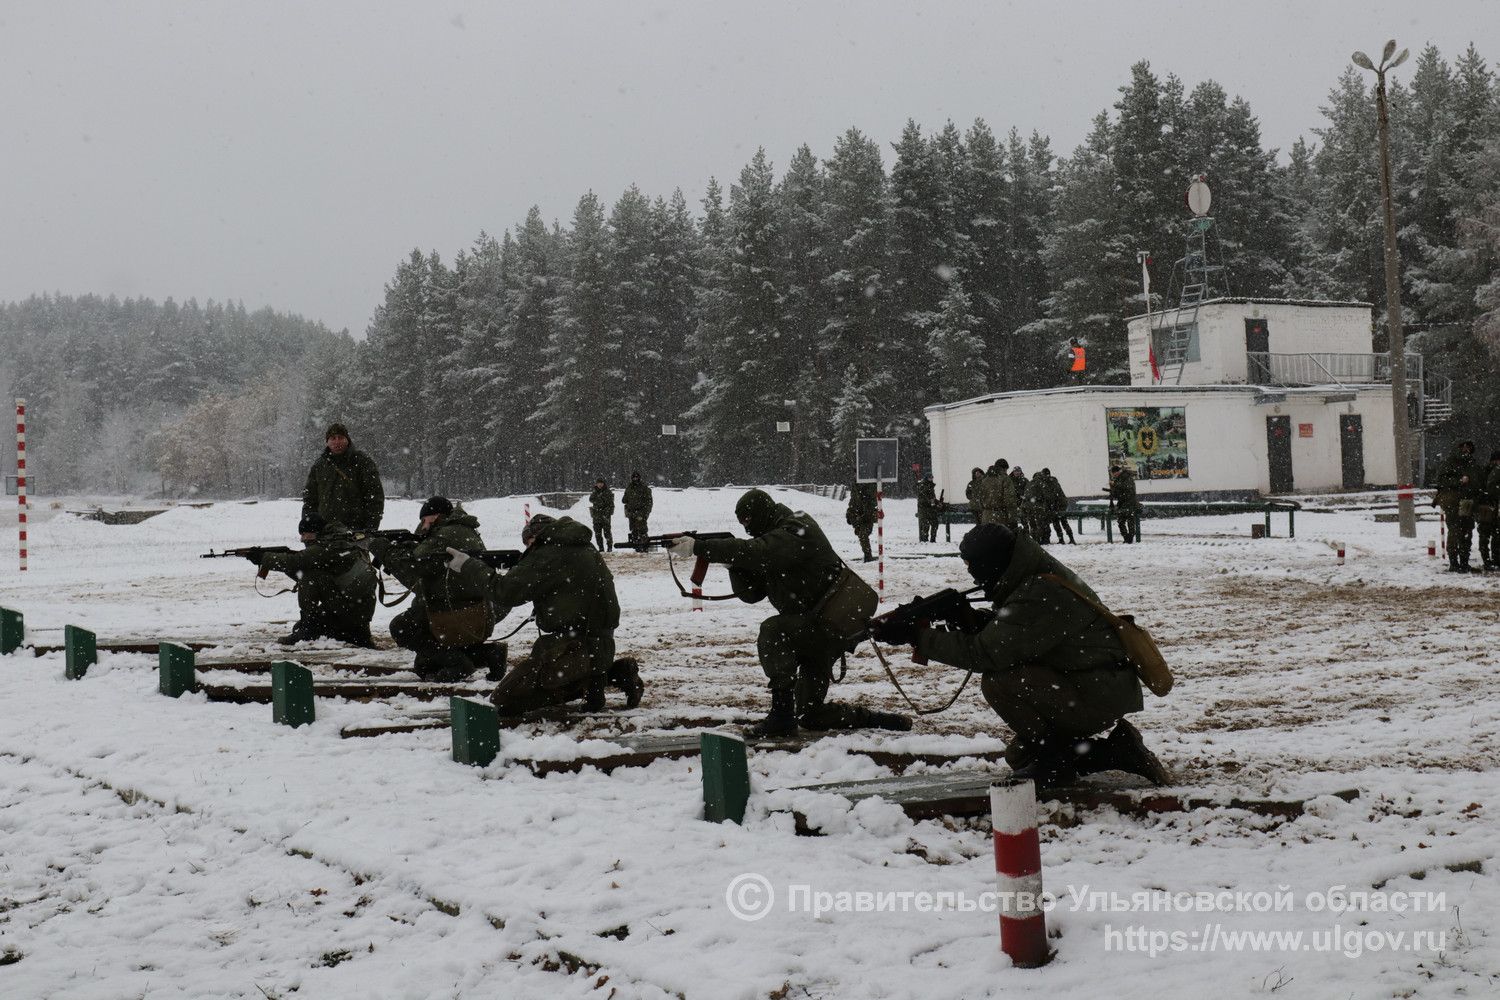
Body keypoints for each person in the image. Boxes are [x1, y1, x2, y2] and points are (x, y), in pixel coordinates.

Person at [870, 523, 1167, 789]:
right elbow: (1020, 636)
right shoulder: (1032, 576)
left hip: (1096, 691)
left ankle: (1060, 763)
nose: (974, 577)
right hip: (1093, 682)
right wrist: (970, 619)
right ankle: (1116, 751)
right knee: (1021, 755)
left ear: (994, 564)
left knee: (999, 681)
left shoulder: (1040, 592)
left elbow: (986, 652)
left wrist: (918, 636)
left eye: (976, 569)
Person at [665, 488, 909, 737]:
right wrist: (731, 563)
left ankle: (781, 714)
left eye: (748, 521)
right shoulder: (773, 539)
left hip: (829, 626)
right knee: (810, 715)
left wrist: (703, 548)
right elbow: (752, 593)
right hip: (814, 629)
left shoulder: (797, 527)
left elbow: (760, 552)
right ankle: (876, 720)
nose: (747, 530)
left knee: (773, 631)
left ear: (762, 513)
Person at [447, 513, 638, 716]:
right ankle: (608, 675)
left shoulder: (549, 554)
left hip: (573, 647)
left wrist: (468, 565)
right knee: (547, 678)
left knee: (506, 700)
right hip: (598, 644)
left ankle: (598, 678)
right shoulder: (580, 546)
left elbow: (504, 592)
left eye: (528, 543)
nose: (528, 549)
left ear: (535, 537)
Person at [367, 497, 499, 681]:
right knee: (424, 665)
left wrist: (383, 549)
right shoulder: (464, 529)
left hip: (452, 610)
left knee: (401, 628)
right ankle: (489, 654)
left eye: (424, 520)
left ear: (436, 516)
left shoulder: (445, 534)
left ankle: (459, 664)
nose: (422, 526)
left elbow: (413, 566)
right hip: (476, 610)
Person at [252, 511, 376, 647]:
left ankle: (309, 630)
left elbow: (296, 562)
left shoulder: (326, 547)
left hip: (349, 608)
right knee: (299, 627)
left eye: (304, 534)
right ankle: (353, 632)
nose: (302, 539)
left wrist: (263, 558)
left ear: (315, 531)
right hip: (358, 612)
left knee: (310, 576)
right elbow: (299, 565)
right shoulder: (341, 540)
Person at [301, 423, 384, 532]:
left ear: (347, 440)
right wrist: (308, 528)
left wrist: (370, 529)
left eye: (340, 438)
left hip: (355, 531)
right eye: (333, 438)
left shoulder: (362, 462)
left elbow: (374, 498)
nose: (337, 442)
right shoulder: (319, 465)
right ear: (327, 441)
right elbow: (310, 499)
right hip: (325, 531)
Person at [1434, 440, 1481, 572]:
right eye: (1463, 447)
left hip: (1468, 502)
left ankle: (1464, 562)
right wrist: (1459, 481)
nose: (1466, 449)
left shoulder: (1472, 463)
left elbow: (1477, 480)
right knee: (1455, 531)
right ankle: (1454, 563)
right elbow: (1441, 481)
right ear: (1458, 448)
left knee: (1466, 532)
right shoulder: (1450, 462)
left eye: (1469, 447)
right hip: (1453, 501)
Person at [1037, 468, 1075, 544]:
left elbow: (1051, 497)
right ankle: (1068, 539)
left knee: (1058, 522)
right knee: (1061, 522)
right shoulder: (1053, 481)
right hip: (1058, 505)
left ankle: (1065, 539)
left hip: (1057, 505)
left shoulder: (1049, 483)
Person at [1107, 462, 1141, 543]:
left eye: (1113, 474)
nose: (1113, 476)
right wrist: (1112, 489)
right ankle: (1126, 537)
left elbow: (1127, 487)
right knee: (1121, 521)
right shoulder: (1118, 479)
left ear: (1117, 472)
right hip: (1122, 502)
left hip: (1130, 502)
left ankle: (1130, 537)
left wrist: (1115, 484)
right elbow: (1118, 492)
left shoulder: (1126, 476)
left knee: (1130, 520)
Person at [977, 461, 1017, 528]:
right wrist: (1012, 518)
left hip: (986, 516)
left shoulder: (984, 480)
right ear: (1004, 469)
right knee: (1000, 537)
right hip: (1000, 516)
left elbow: (980, 498)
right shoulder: (1005, 479)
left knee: (988, 537)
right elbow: (1009, 499)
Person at [1478, 450, 1500, 571]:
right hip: (1486, 506)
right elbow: (1489, 488)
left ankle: (1492, 560)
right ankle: (1489, 560)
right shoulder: (1489, 471)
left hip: (1489, 506)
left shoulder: (1487, 470)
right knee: (1487, 534)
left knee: (1491, 534)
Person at [845, 481, 879, 562]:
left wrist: (867, 511)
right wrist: (850, 511)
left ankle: (868, 555)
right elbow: (853, 498)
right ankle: (867, 554)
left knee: (863, 534)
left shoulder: (869, 481)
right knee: (861, 534)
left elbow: (872, 499)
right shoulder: (855, 483)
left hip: (867, 512)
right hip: (856, 512)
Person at [623, 472, 654, 549]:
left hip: (641, 512)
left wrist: (645, 513)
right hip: (631, 512)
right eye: (634, 477)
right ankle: (636, 547)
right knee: (634, 530)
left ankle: (644, 547)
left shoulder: (644, 488)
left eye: (637, 477)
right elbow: (624, 499)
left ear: (639, 478)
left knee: (642, 530)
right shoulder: (629, 487)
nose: (635, 479)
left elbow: (649, 502)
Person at [589, 478, 615, 551]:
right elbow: (591, 499)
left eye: (601, 483)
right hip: (597, 516)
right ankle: (601, 548)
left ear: (603, 484)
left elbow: (611, 504)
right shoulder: (595, 492)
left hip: (605, 515)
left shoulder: (607, 492)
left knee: (607, 533)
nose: (599, 485)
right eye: (598, 483)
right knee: (597, 533)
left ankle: (609, 547)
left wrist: (607, 513)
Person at [916, 473, 941, 543]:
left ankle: (933, 539)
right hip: (924, 509)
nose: (931, 479)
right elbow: (921, 498)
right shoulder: (922, 486)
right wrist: (929, 501)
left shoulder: (931, 486)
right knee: (925, 526)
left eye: (932, 477)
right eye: (930, 478)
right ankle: (925, 540)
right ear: (926, 478)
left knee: (935, 524)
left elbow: (932, 497)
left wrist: (937, 502)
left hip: (931, 509)